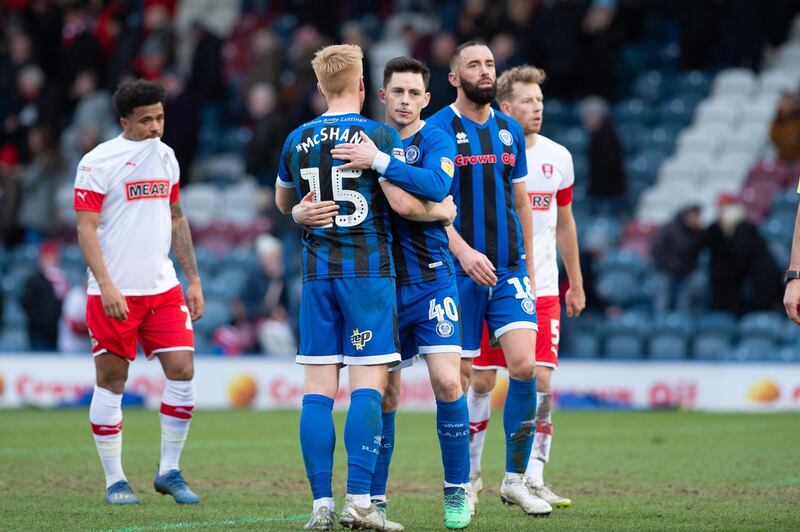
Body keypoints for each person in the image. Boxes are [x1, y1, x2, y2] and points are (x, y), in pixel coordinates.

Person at [274, 44, 453, 532]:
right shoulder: (376, 135)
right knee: (367, 389)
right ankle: (359, 500)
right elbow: (404, 205)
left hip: (316, 275)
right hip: (368, 276)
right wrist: (443, 211)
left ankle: (319, 508)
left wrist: (296, 214)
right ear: (360, 85)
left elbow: (282, 199)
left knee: (317, 391)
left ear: (319, 87)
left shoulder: (297, 138)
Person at [426, 42, 550, 516]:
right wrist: (463, 249)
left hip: (508, 269)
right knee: (456, 380)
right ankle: (460, 484)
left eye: (490, 64)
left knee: (525, 367)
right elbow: (429, 207)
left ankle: (515, 480)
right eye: (474, 65)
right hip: (454, 271)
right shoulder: (436, 130)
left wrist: (529, 269)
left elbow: (520, 202)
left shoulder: (508, 131)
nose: (484, 71)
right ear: (455, 77)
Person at [74, 79, 204, 506]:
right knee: (112, 381)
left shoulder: (167, 158)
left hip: (162, 287)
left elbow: (176, 217)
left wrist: (193, 278)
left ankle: (169, 470)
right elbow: (85, 228)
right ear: (124, 121)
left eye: (160, 118)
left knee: (182, 371)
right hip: (114, 292)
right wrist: (107, 284)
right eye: (145, 120)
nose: (154, 127)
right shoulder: (98, 162)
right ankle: (115, 479)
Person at [466, 65, 585, 512]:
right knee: (479, 380)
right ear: (505, 106)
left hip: (547, 288)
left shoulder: (560, 157)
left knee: (542, 380)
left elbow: (566, 223)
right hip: (491, 281)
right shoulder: (488, 150)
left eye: (540, 100)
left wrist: (575, 281)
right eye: (528, 101)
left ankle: (532, 476)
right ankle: (473, 474)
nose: (537, 107)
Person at [650, 205, 706, 316]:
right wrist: (667, 266)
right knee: (662, 304)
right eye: (695, 216)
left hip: (687, 274)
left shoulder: (698, 232)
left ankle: (683, 327)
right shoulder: (669, 228)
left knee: (685, 306)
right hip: (666, 272)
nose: (697, 219)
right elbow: (656, 249)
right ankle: (660, 328)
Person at [579, 96, 625, 216]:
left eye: (587, 117)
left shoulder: (605, 136)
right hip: (605, 190)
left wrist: (596, 188)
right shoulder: (603, 133)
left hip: (607, 192)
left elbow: (608, 165)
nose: (585, 121)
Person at [20, 240, 68, 351]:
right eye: (47, 258)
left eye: (53, 258)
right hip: (38, 334)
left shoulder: (61, 280)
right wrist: (41, 322)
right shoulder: (33, 280)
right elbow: (26, 303)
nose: (50, 262)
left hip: (57, 333)